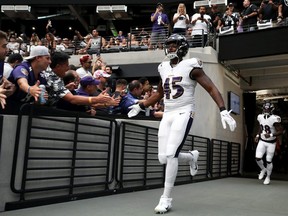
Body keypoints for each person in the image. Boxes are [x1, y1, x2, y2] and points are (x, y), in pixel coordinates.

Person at [127, 34, 236, 214]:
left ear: (182, 47)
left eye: (173, 45)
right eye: (168, 45)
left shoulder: (191, 66)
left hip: (184, 111)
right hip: (168, 113)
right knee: (163, 157)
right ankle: (192, 157)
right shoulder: (163, 67)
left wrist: (223, 109)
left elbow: (211, 88)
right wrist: (142, 105)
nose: (170, 48)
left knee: (171, 155)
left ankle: (166, 199)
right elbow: (160, 93)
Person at [254, 102, 283, 185]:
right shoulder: (260, 117)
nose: (266, 110)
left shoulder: (274, 118)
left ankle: (268, 177)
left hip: (271, 142)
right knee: (258, 158)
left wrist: (271, 134)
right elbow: (261, 126)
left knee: (268, 160)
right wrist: (257, 135)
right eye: (265, 108)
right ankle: (263, 169)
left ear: (271, 109)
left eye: (268, 108)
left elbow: (281, 131)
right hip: (262, 141)